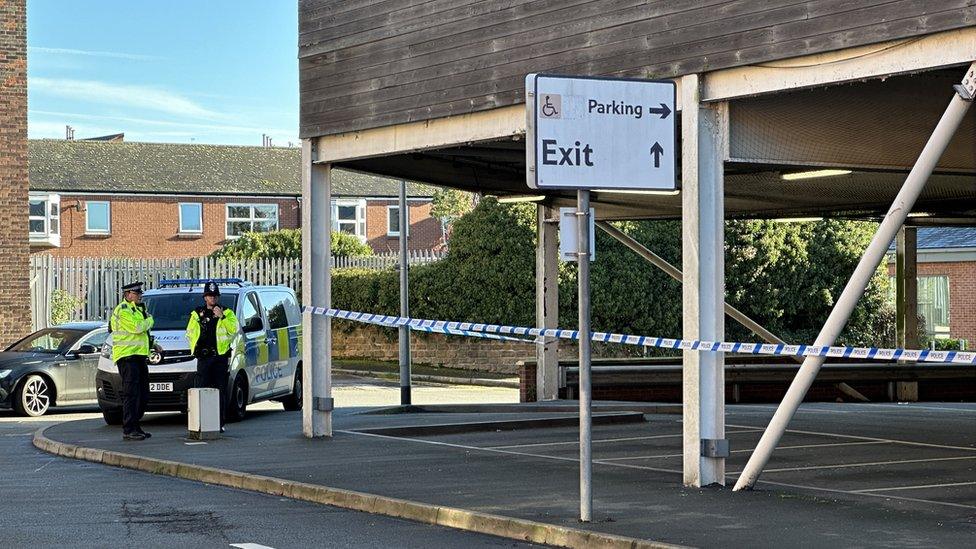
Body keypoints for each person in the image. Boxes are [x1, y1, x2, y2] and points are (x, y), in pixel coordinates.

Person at [186, 281, 239, 431]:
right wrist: (195, 349)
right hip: (204, 358)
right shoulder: (197, 314)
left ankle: (219, 423)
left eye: (215, 296)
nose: (212, 299)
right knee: (201, 390)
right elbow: (190, 333)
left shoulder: (227, 312)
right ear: (205, 297)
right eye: (209, 296)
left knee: (219, 391)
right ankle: (201, 422)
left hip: (220, 358)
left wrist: (222, 317)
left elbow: (234, 329)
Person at [110, 281, 154, 441]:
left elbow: (141, 335)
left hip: (139, 356)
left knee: (142, 393)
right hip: (127, 357)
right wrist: (150, 320)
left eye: (140, 293)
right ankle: (129, 428)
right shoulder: (123, 310)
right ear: (128, 295)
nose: (140, 296)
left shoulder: (137, 309)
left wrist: (154, 344)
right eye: (137, 293)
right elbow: (137, 328)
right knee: (131, 394)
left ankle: (136, 426)